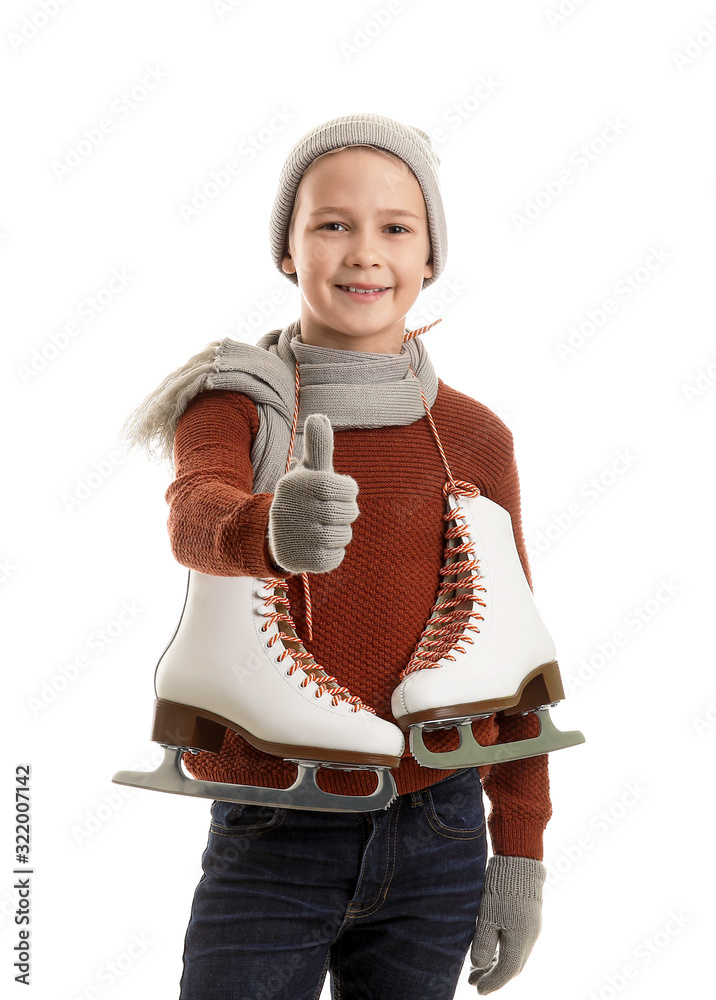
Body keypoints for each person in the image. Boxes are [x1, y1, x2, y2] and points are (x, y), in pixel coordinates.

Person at [123, 113, 552, 998]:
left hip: (436, 832)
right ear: (287, 250)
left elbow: (513, 652)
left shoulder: (475, 439)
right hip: (272, 822)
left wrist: (520, 850)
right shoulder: (234, 406)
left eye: (397, 228)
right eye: (332, 224)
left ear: (431, 256)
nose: (366, 252)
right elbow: (194, 513)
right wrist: (266, 528)